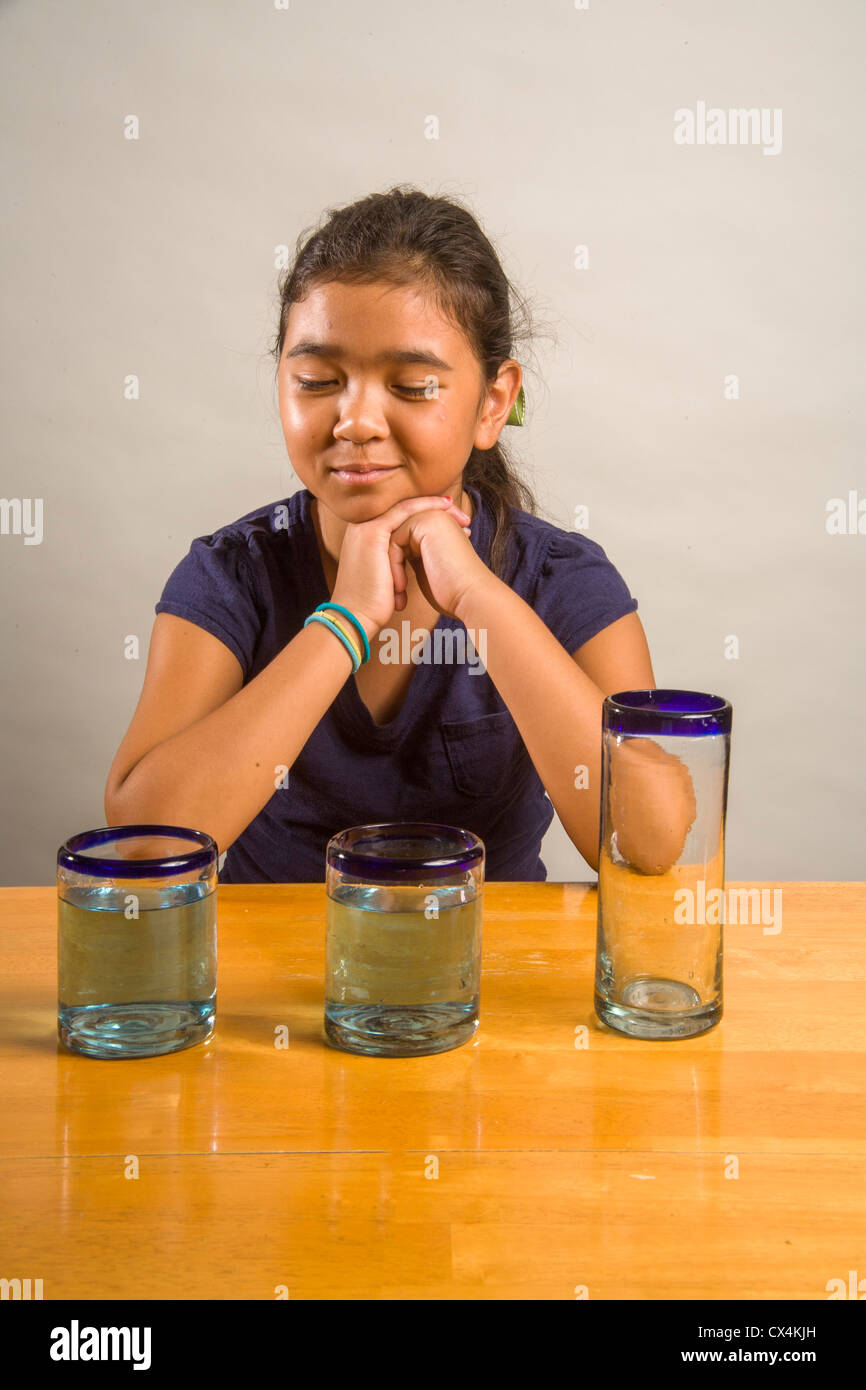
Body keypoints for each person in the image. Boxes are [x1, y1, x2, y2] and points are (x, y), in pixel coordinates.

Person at [104, 185, 657, 881]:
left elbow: (652, 842)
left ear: (493, 402)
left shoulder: (561, 579)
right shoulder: (231, 576)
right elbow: (147, 842)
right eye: (316, 379)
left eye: (412, 386)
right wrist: (344, 621)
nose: (356, 420)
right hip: (272, 981)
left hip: (491, 977)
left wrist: (481, 599)